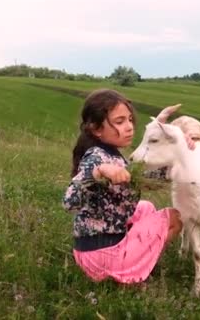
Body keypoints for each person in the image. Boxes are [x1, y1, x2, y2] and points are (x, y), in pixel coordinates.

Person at [63, 89, 186, 284]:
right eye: (119, 122)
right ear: (96, 129)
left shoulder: (112, 153)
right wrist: (98, 172)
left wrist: (175, 151)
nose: (129, 127)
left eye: (129, 119)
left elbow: (147, 181)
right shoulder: (97, 157)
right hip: (102, 256)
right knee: (175, 217)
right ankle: (132, 275)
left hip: (94, 251)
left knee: (145, 208)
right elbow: (69, 202)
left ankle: (136, 260)